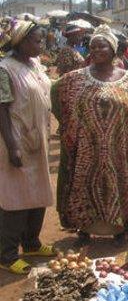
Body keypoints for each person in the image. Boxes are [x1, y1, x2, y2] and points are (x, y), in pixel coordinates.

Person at [51, 25, 128, 246]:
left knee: (120, 184)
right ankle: (84, 229)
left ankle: (120, 228)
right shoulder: (74, 79)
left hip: (118, 150)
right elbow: (57, 97)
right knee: (83, 185)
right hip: (86, 151)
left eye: (102, 45)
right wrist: (69, 125)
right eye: (93, 46)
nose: (97, 49)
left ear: (113, 49)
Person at [0, 20, 56, 275]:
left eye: (41, 40)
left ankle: (31, 243)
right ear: (20, 41)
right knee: (15, 198)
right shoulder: (5, 69)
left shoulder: (34, 65)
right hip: (17, 140)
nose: (40, 44)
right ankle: (7, 254)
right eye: (36, 40)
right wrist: (12, 147)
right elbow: (1, 110)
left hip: (37, 139)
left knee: (38, 193)